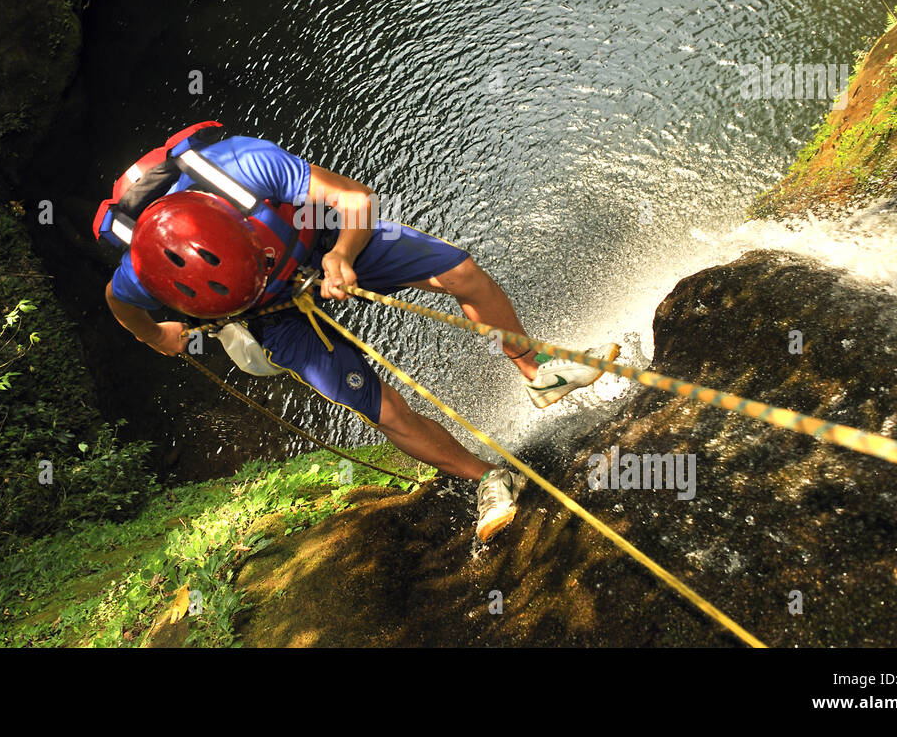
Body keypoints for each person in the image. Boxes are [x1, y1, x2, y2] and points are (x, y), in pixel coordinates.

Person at [98, 126, 619, 541]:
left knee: (460, 273)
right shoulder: (139, 276)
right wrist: (155, 335)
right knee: (377, 406)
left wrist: (341, 256)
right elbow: (118, 304)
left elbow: (355, 198)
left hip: (320, 241)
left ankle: (536, 372)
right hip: (269, 313)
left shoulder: (242, 166)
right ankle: (486, 476)